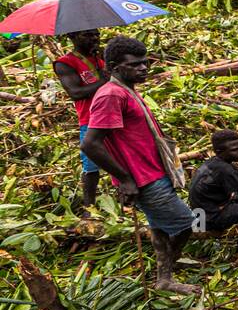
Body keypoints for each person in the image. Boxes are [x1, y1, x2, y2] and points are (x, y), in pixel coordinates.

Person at [81, 36, 202, 296]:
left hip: (152, 171)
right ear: (114, 67)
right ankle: (168, 269)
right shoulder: (111, 95)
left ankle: (164, 277)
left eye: (145, 63)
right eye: (136, 65)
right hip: (143, 178)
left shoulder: (126, 90)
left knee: (158, 225)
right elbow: (90, 144)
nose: (144, 68)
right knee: (187, 223)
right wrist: (124, 179)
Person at [53, 28, 107, 212]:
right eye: (88, 35)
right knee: (91, 165)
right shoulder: (64, 63)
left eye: (96, 34)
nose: (94, 38)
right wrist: (105, 81)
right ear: (72, 36)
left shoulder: (101, 57)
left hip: (114, 115)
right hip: (90, 119)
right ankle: (89, 207)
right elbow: (76, 93)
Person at [188, 130, 238, 233]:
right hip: (211, 218)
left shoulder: (216, 161)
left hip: (208, 209)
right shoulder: (224, 169)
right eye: (235, 149)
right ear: (219, 151)